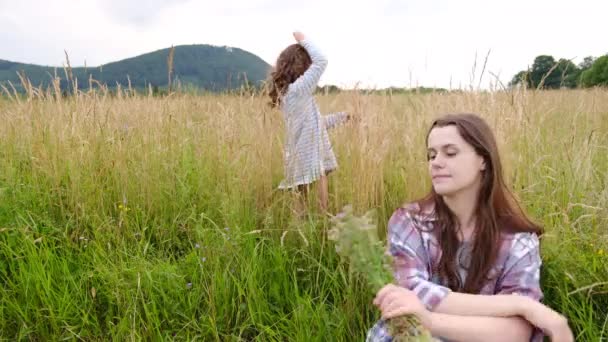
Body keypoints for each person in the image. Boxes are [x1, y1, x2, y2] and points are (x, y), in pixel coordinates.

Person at [367, 113, 573, 342]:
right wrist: (519, 304)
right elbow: (407, 291)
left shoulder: (518, 239)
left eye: (450, 153)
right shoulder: (410, 221)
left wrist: (429, 319)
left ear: (483, 160)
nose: (436, 162)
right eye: (431, 155)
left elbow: (517, 332)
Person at [268, 31, 349, 215]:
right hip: (308, 154)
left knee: (301, 200)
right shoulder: (298, 90)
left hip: (297, 156)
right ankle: (323, 221)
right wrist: (303, 40)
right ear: (302, 67)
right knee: (319, 179)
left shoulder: (290, 95)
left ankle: (303, 232)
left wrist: (343, 117)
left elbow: (317, 124)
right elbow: (321, 61)